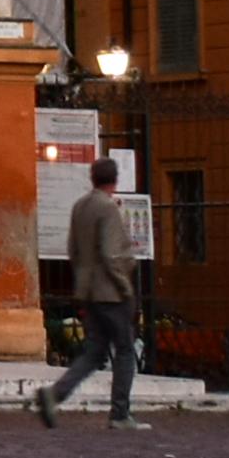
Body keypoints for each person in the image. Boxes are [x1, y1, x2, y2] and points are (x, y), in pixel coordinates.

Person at [34, 157, 144, 429]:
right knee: (125, 351)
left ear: (92, 177)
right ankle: (120, 413)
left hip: (87, 290)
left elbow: (72, 248)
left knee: (94, 352)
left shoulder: (80, 206)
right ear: (114, 180)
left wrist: (83, 280)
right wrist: (124, 285)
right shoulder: (107, 208)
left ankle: (55, 394)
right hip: (111, 292)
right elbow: (111, 253)